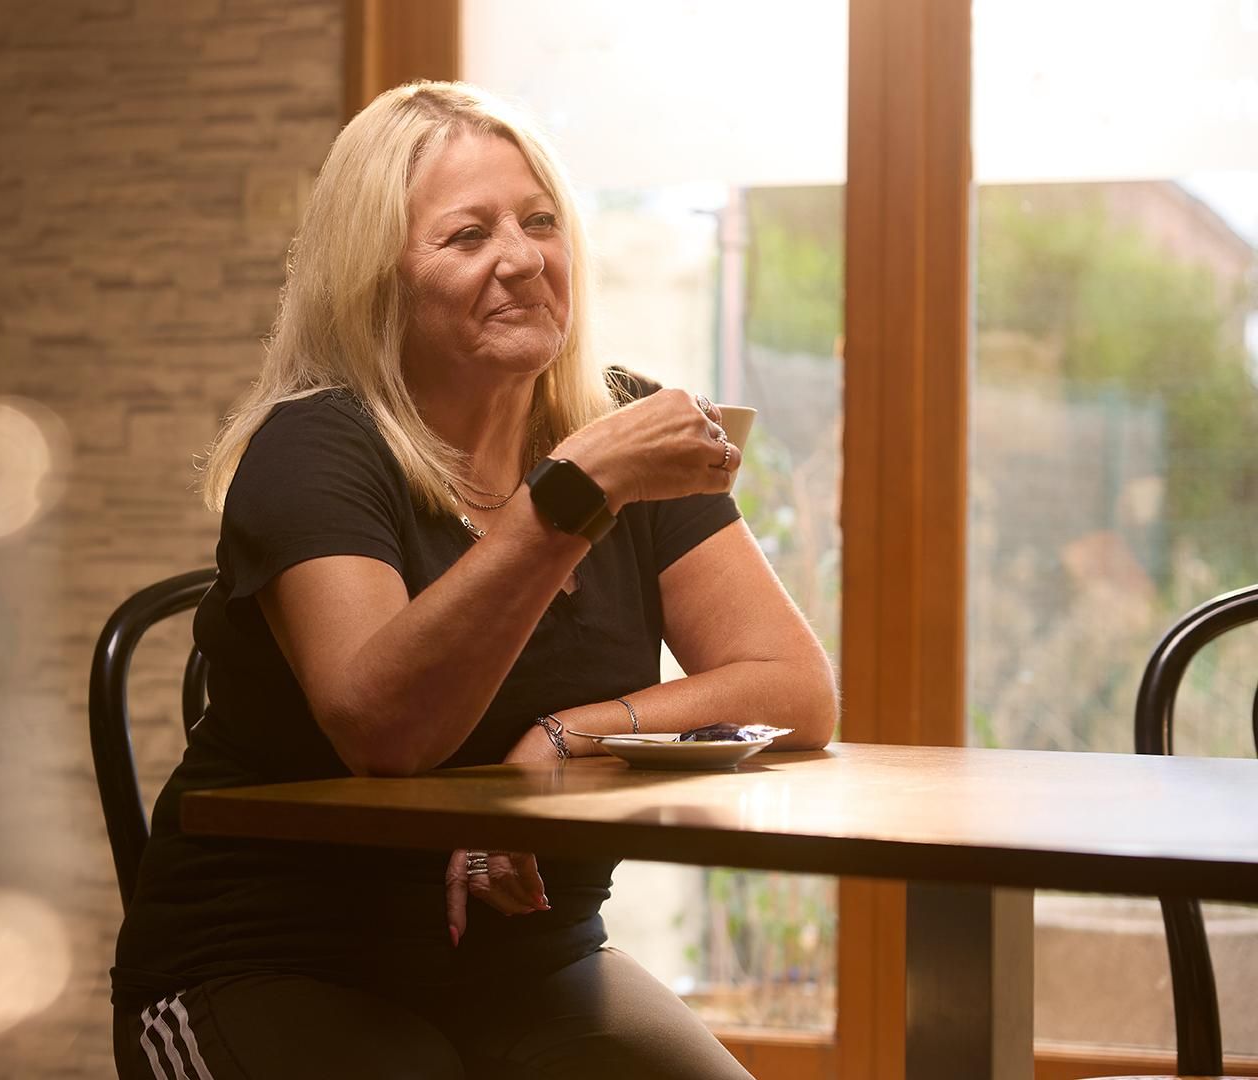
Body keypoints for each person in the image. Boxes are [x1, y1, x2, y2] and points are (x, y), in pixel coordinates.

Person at [111, 81, 838, 1080]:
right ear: (376, 279)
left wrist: (572, 733)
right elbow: (386, 732)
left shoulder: (616, 427)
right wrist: (574, 494)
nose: (523, 258)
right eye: (467, 235)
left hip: (535, 960)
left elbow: (793, 690)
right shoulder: (317, 447)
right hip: (269, 957)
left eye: (540, 222)